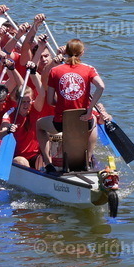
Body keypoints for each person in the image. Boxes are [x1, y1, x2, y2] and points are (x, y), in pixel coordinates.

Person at [38, 39, 105, 172]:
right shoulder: (89, 69)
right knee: (94, 120)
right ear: (82, 53)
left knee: (39, 125)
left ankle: (48, 164)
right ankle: (88, 161)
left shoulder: (54, 71)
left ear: (66, 53)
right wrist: (90, 108)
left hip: (61, 122)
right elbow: (101, 86)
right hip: (84, 120)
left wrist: (63, 103)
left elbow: (50, 101)